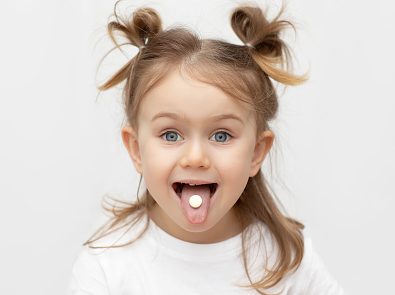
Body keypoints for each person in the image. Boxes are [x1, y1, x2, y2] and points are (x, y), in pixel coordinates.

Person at [69, 2, 344, 294]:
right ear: (137, 150)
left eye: (222, 136)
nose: (196, 158)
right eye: (171, 135)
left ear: (256, 153)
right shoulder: (106, 266)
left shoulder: (288, 261)